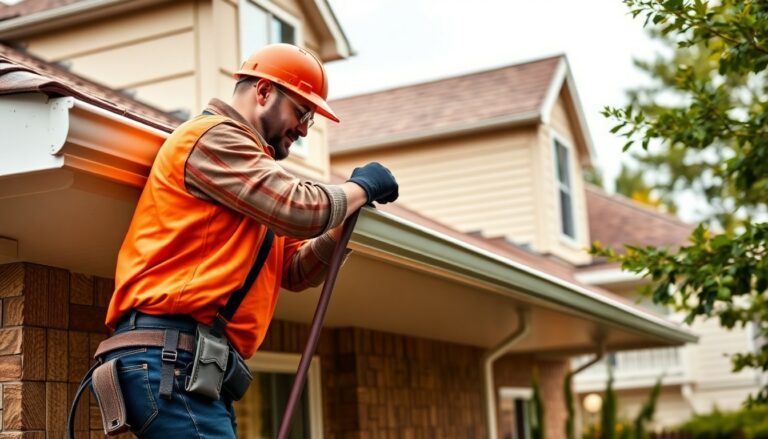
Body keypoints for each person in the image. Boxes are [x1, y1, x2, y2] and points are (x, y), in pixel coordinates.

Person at [95, 43, 398, 438]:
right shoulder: (213, 140)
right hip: (169, 359)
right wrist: (360, 187)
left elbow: (295, 269)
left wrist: (341, 226)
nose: (305, 129)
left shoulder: (252, 178)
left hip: (191, 366)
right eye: (302, 112)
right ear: (263, 92)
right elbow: (300, 209)